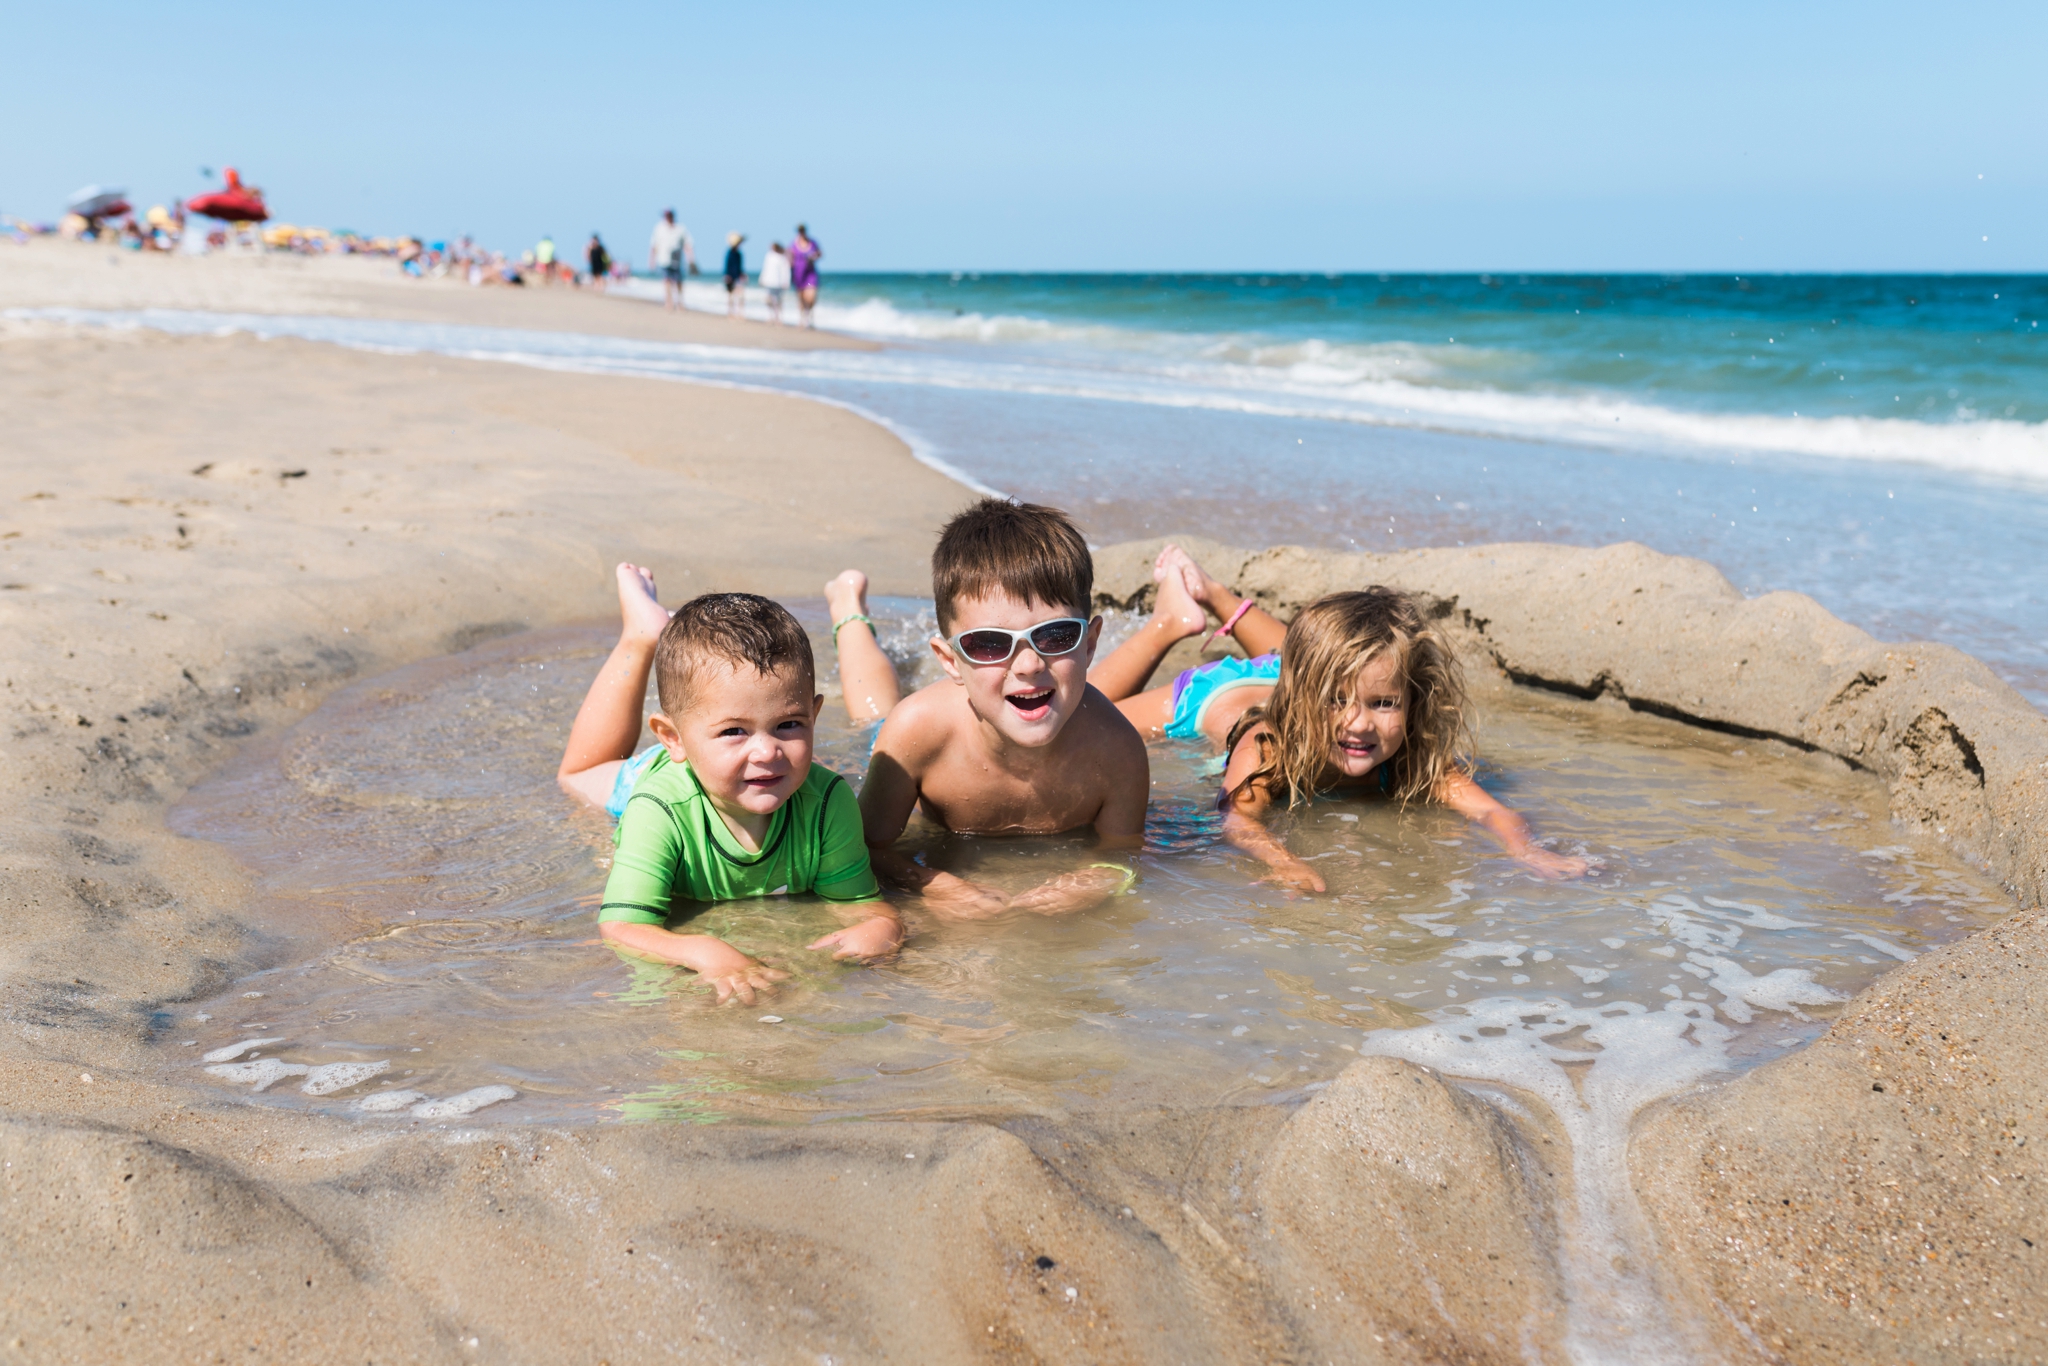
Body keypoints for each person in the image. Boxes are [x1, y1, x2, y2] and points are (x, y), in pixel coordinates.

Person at [1092, 545, 1594, 891]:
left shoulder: (1412, 756)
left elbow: (1492, 812)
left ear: (1412, 700)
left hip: (1304, 672)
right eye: (1339, 705)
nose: (1358, 725)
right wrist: (1282, 861)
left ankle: (1215, 590)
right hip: (1212, 698)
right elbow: (1237, 818)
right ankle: (1173, 621)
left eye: (1384, 705)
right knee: (1090, 712)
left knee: (1324, 652)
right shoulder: (1267, 747)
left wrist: (1528, 851)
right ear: (1303, 698)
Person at [558, 569, 903, 1003]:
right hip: (659, 780)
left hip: (730, 770)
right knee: (577, 775)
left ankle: (848, 610)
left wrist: (881, 925)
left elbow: (861, 905)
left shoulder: (829, 802)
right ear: (673, 738)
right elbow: (621, 928)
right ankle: (640, 635)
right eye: (734, 731)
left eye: (789, 724)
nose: (766, 751)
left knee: (879, 730)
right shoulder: (657, 809)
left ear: (813, 717)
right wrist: (702, 949)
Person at [824, 500, 1149, 920]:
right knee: (870, 713)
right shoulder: (917, 732)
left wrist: (1097, 880)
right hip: (904, 729)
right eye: (990, 643)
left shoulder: (1117, 750)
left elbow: (1124, 854)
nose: (1029, 664)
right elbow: (863, 848)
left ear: (1088, 644)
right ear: (949, 661)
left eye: (1055, 636)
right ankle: (847, 608)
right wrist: (935, 886)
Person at [649, 209, 694, 311]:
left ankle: (680, 302)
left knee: (678, 281)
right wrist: (652, 260)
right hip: (663, 259)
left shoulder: (680, 228)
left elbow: (688, 244)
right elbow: (653, 245)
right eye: (666, 215)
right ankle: (669, 302)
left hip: (677, 260)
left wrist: (691, 259)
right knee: (667, 281)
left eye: (669, 215)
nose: (667, 217)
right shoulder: (659, 228)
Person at [790, 224, 822, 329]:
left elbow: (820, 253)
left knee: (811, 297)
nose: (801, 232)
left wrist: (814, 257)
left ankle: (810, 316)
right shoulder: (794, 244)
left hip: (810, 275)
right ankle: (803, 320)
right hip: (799, 274)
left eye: (803, 230)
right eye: (800, 231)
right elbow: (790, 258)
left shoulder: (812, 243)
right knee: (801, 298)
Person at [758, 242, 792, 325]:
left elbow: (786, 271)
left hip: (778, 283)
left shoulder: (782, 257)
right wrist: (762, 278)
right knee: (769, 300)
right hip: (769, 281)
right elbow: (765, 268)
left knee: (778, 301)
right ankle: (770, 316)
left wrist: (786, 282)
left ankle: (779, 317)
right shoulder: (769, 256)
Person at [722, 232, 746, 318]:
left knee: (740, 295)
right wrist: (726, 275)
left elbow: (740, 267)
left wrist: (742, 274)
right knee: (730, 296)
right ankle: (730, 312)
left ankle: (740, 312)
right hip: (730, 277)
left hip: (737, 277)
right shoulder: (729, 253)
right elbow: (727, 265)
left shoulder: (739, 254)